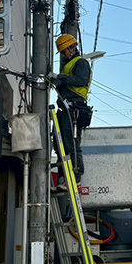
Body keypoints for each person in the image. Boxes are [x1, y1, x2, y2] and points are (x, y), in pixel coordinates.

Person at [47, 34, 92, 187]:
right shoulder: (68, 66)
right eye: (61, 52)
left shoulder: (81, 63)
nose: (63, 54)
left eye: (64, 51)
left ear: (72, 47)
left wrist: (59, 77)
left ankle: (75, 177)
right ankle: (63, 177)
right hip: (64, 109)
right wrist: (55, 80)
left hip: (74, 108)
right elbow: (64, 84)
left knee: (71, 143)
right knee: (59, 144)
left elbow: (81, 80)